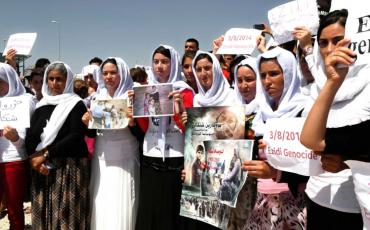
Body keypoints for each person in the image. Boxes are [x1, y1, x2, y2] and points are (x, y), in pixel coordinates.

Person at [300, 9, 366, 230]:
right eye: (323, 43)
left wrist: (347, 162)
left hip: (355, 207)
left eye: (338, 41)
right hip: (317, 196)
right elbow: (310, 138)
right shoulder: (318, 87)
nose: (330, 50)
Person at [243, 47, 308, 230]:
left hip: (294, 201)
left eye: (274, 73)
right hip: (262, 201)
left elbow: (312, 165)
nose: (267, 81)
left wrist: (275, 173)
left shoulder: (304, 111)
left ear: (288, 73)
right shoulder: (260, 114)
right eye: (263, 75)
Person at [134, 45, 194, 230]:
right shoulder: (149, 91)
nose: (159, 66)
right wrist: (135, 109)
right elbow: (147, 127)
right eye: (156, 61)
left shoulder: (185, 91)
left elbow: (189, 129)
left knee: (171, 210)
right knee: (151, 209)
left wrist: (179, 107)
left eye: (165, 62)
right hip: (151, 155)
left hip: (175, 157)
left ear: (173, 63)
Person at [25, 61, 90, 229]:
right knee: (44, 216)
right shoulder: (41, 105)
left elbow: (75, 135)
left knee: (65, 218)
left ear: (67, 80)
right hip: (42, 168)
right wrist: (34, 157)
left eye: (59, 79)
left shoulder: (76, 104)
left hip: (69, 167)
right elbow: (32, 134)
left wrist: (45, 154)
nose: (54, 83)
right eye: (51, 79)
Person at [84, 57, 140, 230]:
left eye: (113, 72)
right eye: (105, 73)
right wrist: (87, 122)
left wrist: (132, 121)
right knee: (102, 199)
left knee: (123, 199)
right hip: (102, 158)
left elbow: (142, 133)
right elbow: (93, 132)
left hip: (125, 157)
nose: (109, 76)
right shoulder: (97, 98)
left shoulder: (132, 95)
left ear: (122, 73)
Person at [0, 63, 34, 230]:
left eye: (0, 81)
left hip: (13, 161)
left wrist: (14, 138)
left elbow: (24, 142)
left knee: (14, 208)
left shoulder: (24, 102)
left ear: (10, 80)